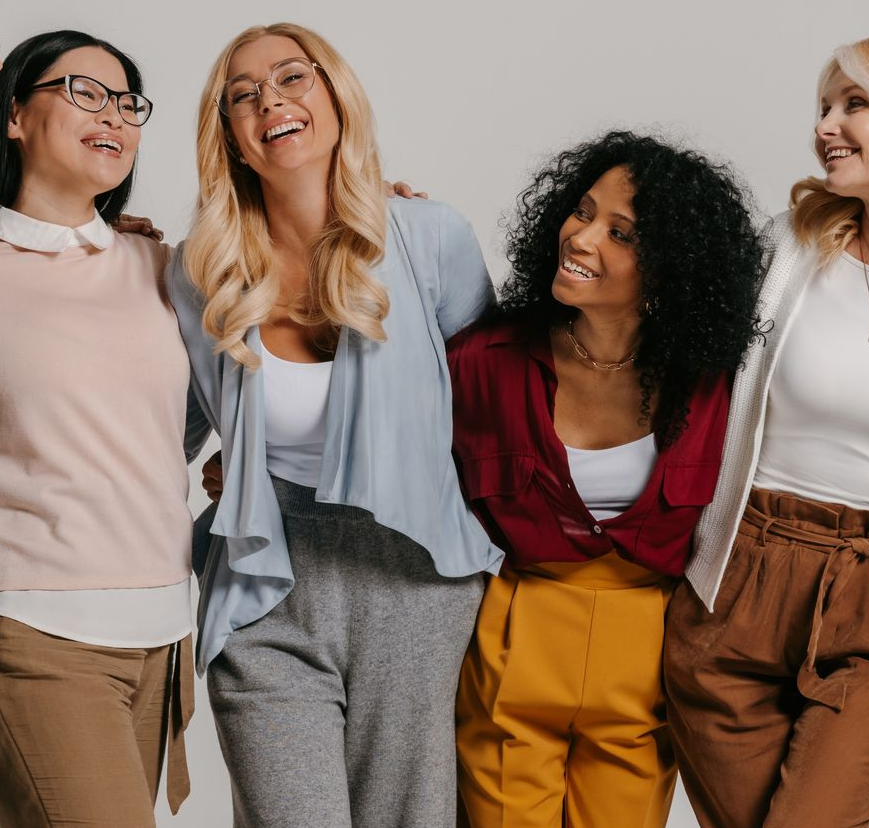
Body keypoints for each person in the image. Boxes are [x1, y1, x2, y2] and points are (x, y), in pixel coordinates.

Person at [165, 22, 502, 828]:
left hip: (415, 582)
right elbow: (155, 427)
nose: (269, 102)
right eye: (241, 95)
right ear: (231, 139)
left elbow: (497, 408)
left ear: (336, 96)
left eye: (291, 78)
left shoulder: (427, 238)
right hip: (265, 578)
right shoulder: (195, 271)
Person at [663, 31, 869, 828]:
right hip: (733, 586)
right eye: (822, 105)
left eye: (855, 104)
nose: (825, 125)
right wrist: (407, 233)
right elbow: (637, 296)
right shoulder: (785, 248)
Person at [447, 131, 767, 828]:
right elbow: (388, 444)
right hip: (515, 644)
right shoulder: (482, 361)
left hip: (645, 667)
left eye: (620, 232)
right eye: (582, 212)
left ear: (672, 271)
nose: (582, 237)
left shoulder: (715, 387)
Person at [0, 29, 209, 827]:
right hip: (37, 633)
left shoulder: (162, 268)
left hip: (163, 636)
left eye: (126, 101)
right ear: (15, 114)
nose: (112, 113)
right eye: (81, 91)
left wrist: (380, 214)